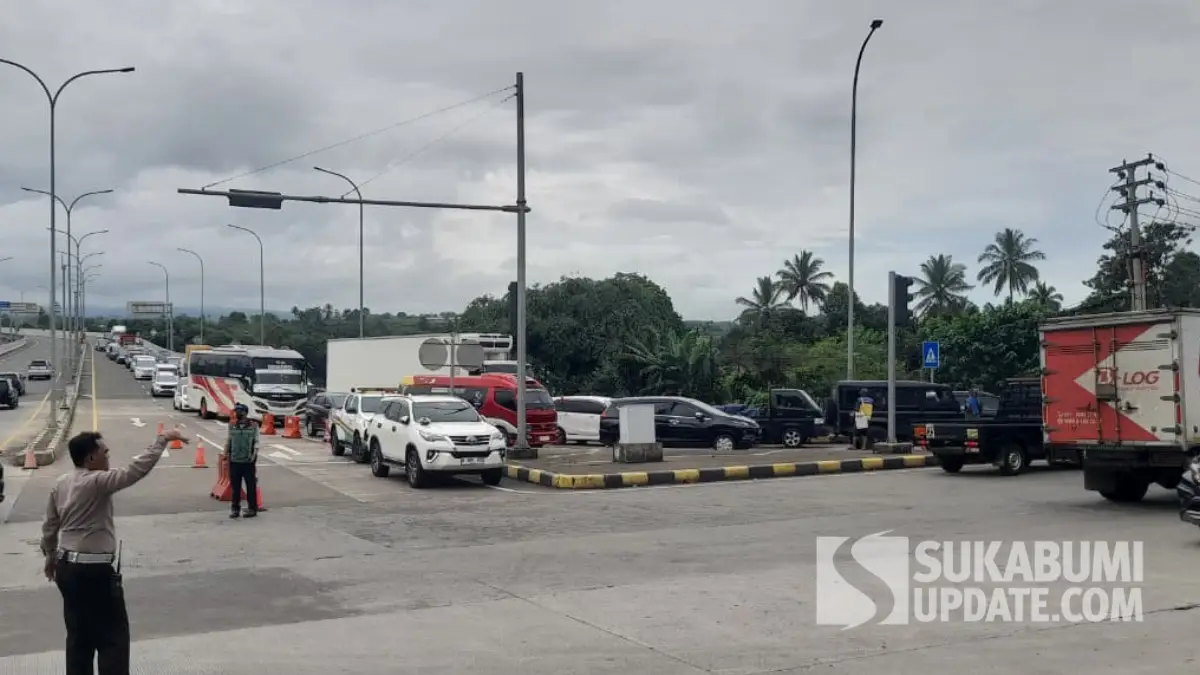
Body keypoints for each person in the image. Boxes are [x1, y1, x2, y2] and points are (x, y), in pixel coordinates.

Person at [41, 427, 189, 675]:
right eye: (105, 453)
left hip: (66, 569)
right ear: (90, 459)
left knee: (79, 638)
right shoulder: (97, 481)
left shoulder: (62, 483)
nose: (109, 458)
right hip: (94, 572)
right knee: (113, 639)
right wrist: (161, 440)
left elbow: (50, 525)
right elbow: (134, 472)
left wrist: (49, 555)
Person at [225, 403, 260, 519]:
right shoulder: (232, 425)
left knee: (251, 487)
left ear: (245, 412)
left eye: (239, 412)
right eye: (236, 412)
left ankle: (252, 509)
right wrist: (226, 454)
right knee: (235, 488)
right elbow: (229, 440)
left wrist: (254, 455)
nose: (237, 414)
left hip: (248, 461)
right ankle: (235, 509)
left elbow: (256, 442)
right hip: (234, 460)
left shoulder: (253, 425)